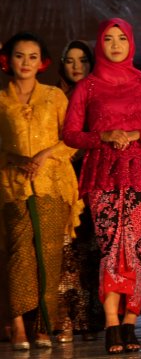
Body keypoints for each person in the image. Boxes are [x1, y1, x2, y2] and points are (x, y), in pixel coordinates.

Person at [63, 18, 141, 354]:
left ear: (130, 43)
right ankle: (112, 323)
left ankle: (130, 323)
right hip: (103, 174)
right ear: (100, 44)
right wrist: (104, 136)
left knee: (137, 248)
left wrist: (137, 134)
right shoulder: (88, 86)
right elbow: (70, 134)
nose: (115, 44)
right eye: (108, 39)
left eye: (121, 38)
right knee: (112, 247)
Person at [0, 32, 82, 350]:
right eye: (20, 56)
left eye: (33, 56)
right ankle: (18, 323)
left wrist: (43, 155)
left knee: (49, 255)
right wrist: (16, 159)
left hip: (52, 183)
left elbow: (71, 139)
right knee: (20, 254)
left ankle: (44, 325)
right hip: (12, 185)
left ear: (42, 62)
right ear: (8, 60)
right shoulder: (2, 100)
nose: (26, 63)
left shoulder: (54, 97)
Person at [55, 40, 104, 343]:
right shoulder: (53, 97)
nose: (76, 67)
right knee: (64, 250)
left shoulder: (100, 96)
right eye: (70, 61)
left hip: (94, 177)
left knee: (92, 250)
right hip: (61, 178)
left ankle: (90, 319)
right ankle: (64, 319)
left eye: (82, 61)